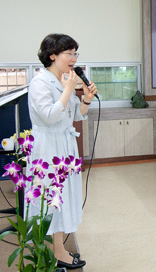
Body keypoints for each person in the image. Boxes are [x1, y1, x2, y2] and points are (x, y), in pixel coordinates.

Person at [28, 34, 96, 269]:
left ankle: (58, 249)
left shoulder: (63, 80)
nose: (74, 58)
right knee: (51, 199)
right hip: (48, 148)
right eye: (69, 53)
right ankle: (53, 252)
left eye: (76, 53)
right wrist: (69, 89)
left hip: (64, 146)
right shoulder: (40, 82)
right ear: (52, 55)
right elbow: (49, 116)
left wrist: (85, 100)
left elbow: (75, 116)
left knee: (63, 197)